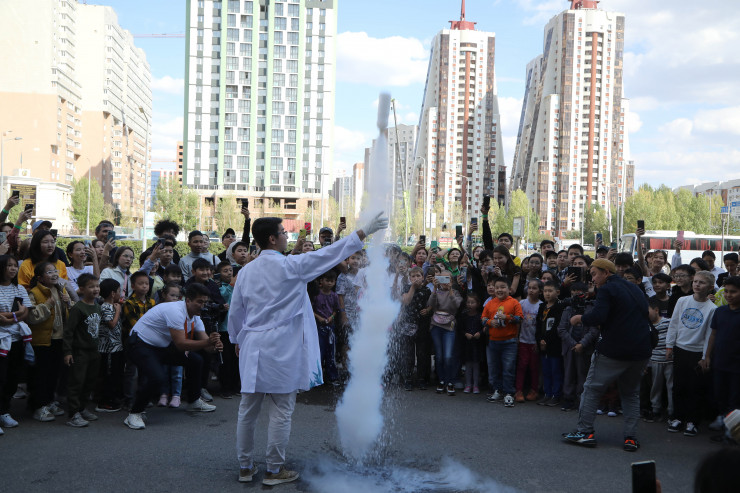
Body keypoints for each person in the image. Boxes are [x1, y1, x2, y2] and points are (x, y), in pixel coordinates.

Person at [227, 213, 387, 485]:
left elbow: (236, 311)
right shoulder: (292, 265)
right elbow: (331, 253)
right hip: (281, 346)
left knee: (247, 409)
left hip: (251, 342)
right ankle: (273, 470)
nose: (287, 236)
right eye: (283, 232)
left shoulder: (246, 271)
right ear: (272, 238)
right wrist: (363, 231)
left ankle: (245, 467)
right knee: (281, 410)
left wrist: (236, 340)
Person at [562, 258, 652, 452]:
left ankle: (585, 432)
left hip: (614, 349)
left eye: (594, 274)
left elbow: (598, 316)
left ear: (606, 272)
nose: (593, 279)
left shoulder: (607, 289)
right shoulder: (635, 288)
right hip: (641, 349)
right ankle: (630, 438)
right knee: (630, 393)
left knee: (592, 389)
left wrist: (579, 318)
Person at [123, 283, 222, 430]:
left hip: (162, 347)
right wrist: (208, 342)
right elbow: (181, 344)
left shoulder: (196, 317)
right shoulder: (175, 311)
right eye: (199, 302)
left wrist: (215, 346)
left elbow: (207, 347)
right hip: (140, 344)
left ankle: (194, 401)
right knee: (157, 377)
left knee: (196, 360)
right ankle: (134, 413)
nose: (203, 306)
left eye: (205, 302)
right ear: (188, 300)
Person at [666, 270, 717, 436]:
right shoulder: (682, 301)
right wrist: (669, 345)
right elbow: (674, 323)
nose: (697, 285)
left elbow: (709, 334)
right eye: (695, 281)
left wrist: (705, 356)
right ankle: (677, 418)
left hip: (697, 352)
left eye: (702, 282)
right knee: (678, 386)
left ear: (710, 287)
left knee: (695, 388)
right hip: (680, 349)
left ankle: (692, 421)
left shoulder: (712, 309)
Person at [27, 261, 74, 422]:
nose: (54, 274)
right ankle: (38, 406)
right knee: (41, 375)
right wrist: (47, 305)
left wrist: (68, 303)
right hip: (42, 341)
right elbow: (31, 317)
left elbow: (71, 313)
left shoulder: (61, 289)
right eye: (49, 272)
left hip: (59, 339)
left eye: (55, 271)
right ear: (40, 278)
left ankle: (49, 401)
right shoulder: (34, 293)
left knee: (54, 373)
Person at [63, 273, 102, 428]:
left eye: (97, 286)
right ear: (81, 289)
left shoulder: (97, 306)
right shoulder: (78, 308)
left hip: (94, 351)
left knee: (89, 381)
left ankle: (82, 408)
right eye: (91, 286)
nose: (95, 289)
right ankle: (73, 414)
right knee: (77, 382)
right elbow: (69, 332)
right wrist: (67, 352)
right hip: (80, 352)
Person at [0, 255, 33, 433]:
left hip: (17, 339)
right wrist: (16, 315)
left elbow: (25, 312)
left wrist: (10, 318)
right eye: (9, 266)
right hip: (1, 340)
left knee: (13, 378)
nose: (13, 269)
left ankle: (4, 411)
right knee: (1, 377)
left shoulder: (19, 288)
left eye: (14, 266)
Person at [704, 276, 740, 437]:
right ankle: (723, 421)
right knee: (720, 394)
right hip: (720, 361)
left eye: (734, 292)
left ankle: (731, 430)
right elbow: (713, 334)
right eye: (726, 291)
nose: (729, 295)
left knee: (735, 398)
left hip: (737, 365)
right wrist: (707, 356)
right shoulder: (720, 311)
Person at [557, 282, 599, 412]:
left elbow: (594, 330)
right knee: (568, 373)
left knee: (583, 374)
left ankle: (582, 400)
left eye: (579, 293)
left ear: (586, 294)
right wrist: (574, 344)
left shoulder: (591, 309)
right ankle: (568, 399)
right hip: (569, 347)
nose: (576, 295)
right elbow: (561, 329)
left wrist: (582, 344)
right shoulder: (568, 309)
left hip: (585, 347)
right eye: (573, 293)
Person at [482, 276, 523, 407]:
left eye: (502, 287)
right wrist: (490, 322)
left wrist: (507, 317)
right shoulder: (490, 303)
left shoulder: (514, 302)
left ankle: (509, 393)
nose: (499, 290)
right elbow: (483, 318)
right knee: (494, 368)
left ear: (509, 289)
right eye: (497, 287)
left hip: (509, 342)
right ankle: (497, 390)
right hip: (493, 341)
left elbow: (520, 318)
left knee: (508, 368)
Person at [428, 270, 464, 396]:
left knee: (448, 356)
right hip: (436, 325)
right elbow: (431, 304)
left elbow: (456, 306)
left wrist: (450, 291)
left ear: (451, 280)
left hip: (449, 326)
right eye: (441, 279)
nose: (444, 282)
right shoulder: (437, 292)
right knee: (439, 356)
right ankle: (441, 380)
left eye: (447, 279)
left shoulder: (456, 292)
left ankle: (450, 381)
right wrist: (434, 289)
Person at [397, 266, 432, 390]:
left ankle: (422, 378)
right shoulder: (406, 288)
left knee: (422, 353)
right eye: (413, 276)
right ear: (410, 278)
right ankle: (408, 378)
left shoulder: (427, 290)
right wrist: (412, 287)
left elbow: (432, 304)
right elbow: (406, 301)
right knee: (409, 353)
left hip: (422, 324)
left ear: (423, 277)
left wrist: (428, 309)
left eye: (418, 276)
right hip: (408, 324)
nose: (416, 278)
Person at [95, 279, 125, 413]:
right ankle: (104, 402)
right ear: (113, 293)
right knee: (108, 375)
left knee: (115, 374)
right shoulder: (105, 307)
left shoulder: (112, 305)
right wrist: (118, 310)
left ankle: (112, 399)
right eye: (119, 291)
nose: (120, 293)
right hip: (108, 348)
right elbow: (111, 324)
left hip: (116, 347)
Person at [536, 280, 566, 407]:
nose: (547, 294)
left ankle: (556, 395)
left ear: (557, 292)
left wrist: (547, 340)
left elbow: (557, 326)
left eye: (550, 291)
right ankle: (547, 393)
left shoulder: (560, 307)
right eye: (545, 291)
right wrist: (540, 340)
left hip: (554, 345)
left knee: (556, 371)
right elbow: (538, 325)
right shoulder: (542, 306)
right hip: (542, 345)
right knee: (546, 371)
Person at [644, 298, 673, 423]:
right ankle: (655, 410)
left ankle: (672, 412)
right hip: (654, 361)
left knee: (671, 387)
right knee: (655, 386)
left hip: (669, 361)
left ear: (656, 310)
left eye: (647, 311)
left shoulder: (668, 322)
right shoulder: (645, 326)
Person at [311, 271, 341, 386]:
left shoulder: (334, 296)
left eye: (331, 281)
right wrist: (319, 318)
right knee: (319, 351)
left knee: (331, 352)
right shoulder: (316, 295)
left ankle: (332, 376)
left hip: (330, 326)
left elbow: (336, 310)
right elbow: (311, 309)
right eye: (327, 280)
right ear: (321, 281)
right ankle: (316, 377)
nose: (329, 283)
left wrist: (331, 317)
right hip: (318, 327)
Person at [516, 279, 542, 403]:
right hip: (523, 340)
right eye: (529, 287)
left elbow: (541, 326)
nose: (531, 290)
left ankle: (534, 390)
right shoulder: (522, 303)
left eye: (534, 288)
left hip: (534, 342)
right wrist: (517, 337)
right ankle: (518, 390)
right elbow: (518, 322)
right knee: (522, 366)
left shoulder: (541, 305)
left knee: (534, 367)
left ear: (540, 291)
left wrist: (538, 341)